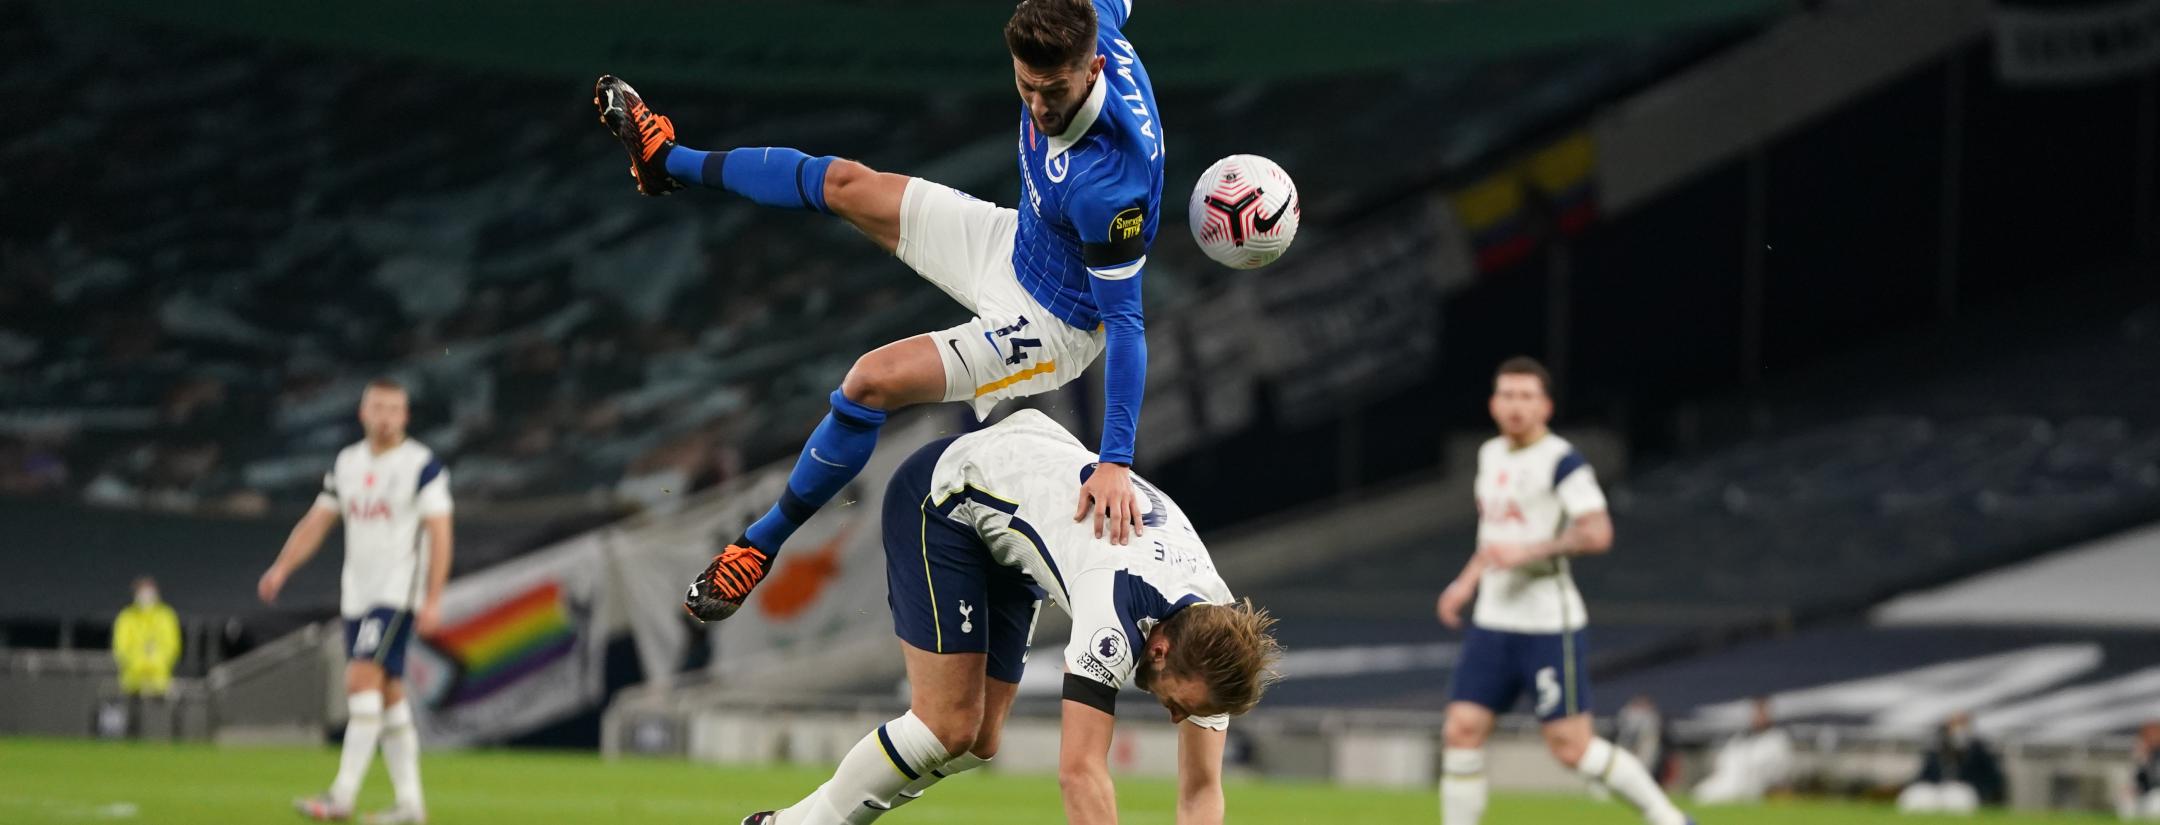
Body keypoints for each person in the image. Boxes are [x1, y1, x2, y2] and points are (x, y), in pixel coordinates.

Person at [594, 0, 1173, 621]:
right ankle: (665, 161)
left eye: (1053, 91)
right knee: (844, 183)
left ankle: (757, 547)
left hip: (1051, 323)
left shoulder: (1109, 188)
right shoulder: (1091, 18)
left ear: (1094, 68)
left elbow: (1127, 325)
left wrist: (1115, 463)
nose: (1038, 107)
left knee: (869, 381)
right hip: (1017, 240)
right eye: (1026, 86)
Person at [724, 409, 1282, 825]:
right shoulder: (1115, 611)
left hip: (1015, 513)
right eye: (1181, 706)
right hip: (946, 497)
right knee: (946, 725)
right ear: (1158, 649)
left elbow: (1201, 792)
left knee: (978, 741)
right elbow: (1080, 772)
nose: (1177, 718)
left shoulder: (1213, 637)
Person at [1435, 357, 1693, 825]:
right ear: (1493, 404)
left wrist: (1530, 551)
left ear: (1546, 407)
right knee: (1461, 730)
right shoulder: (1490, 454)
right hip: (1492, 623)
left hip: (1547, 625)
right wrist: (1464, 583)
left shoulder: (1562, 461)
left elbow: (1598, 532)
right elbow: (1493, 537)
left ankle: (1668, 818)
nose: (1516, 405)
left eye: (1526, 396)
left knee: (1571, 748)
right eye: (1507, 395)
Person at [258, 378, 452, 825]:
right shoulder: (347, 463)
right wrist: (282, 568)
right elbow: (317, 521)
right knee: (388, 694)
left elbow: (440, 531)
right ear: (363, 413)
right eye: (378, 408)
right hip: (357, 595)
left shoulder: (422, 465)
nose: (386, 418)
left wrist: (434, 597)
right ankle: (410, 805)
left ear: (406, 416)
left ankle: (341, 796)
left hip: (396, 593)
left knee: (360, 679)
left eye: (394, 409)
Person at [1693, 696, 1795, 804]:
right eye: (1756, 712)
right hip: (1728, 779)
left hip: (1752, 786)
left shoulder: (1777, 738)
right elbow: (1725, 760)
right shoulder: (1741, 738)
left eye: (1762, 712)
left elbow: (1778, 769)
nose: (1759, 717)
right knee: (1701, 792)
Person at [1896, 712, 2004, 815]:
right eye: (1954, 724)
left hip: (1964, 790)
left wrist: (1985, 793)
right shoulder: (1937, 749)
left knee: (1956, 797)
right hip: (1937, 790)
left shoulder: (1978, 750)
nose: (1958, 729)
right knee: (1920, 795)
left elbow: (1992, 778)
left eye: (1961, 723)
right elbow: (1925, 774)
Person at [113, 576, 181, 698]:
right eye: (142, 593)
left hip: (161, 683)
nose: (146, 597)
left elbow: (172, 647)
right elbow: (120, 650)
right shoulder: (126, 618)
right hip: (131, 684)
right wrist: (140, 663)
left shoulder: (166, 616)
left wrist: (154, 662)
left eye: (149, 593)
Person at [2126, 720, 2160, 820]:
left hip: (2155, 796)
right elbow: (2139, 778)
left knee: (2156, 800)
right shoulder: (2144, 754)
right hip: (2145, 795)